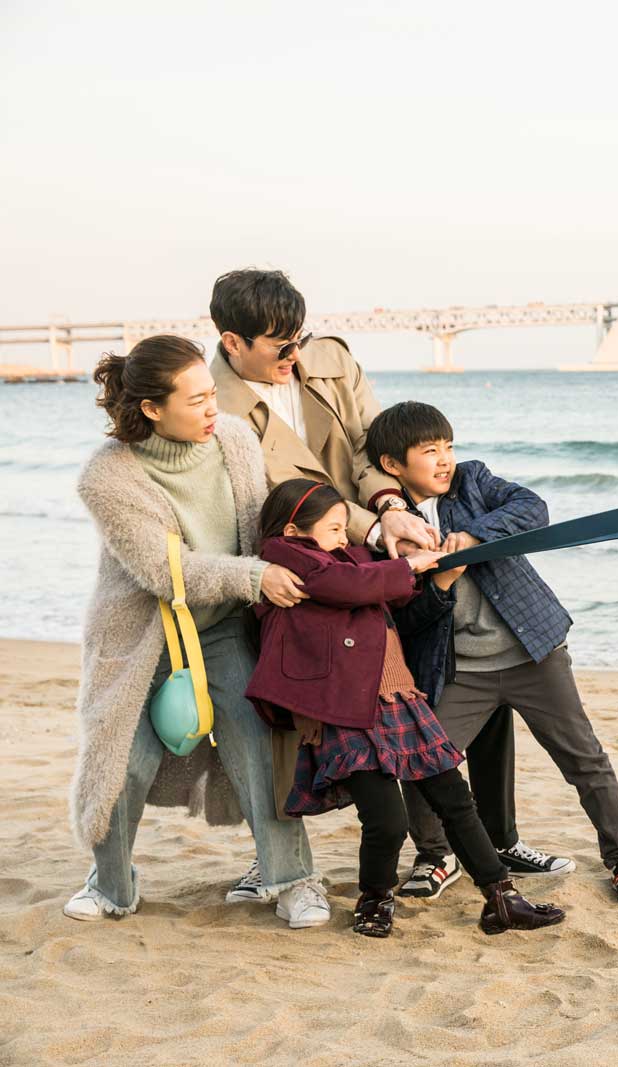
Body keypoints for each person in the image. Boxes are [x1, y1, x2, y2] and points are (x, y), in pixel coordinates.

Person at [206, 267, 459, 903]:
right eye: (277, 346)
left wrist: (392, 503)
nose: (294, 357)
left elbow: (372, 446)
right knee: (293, 728)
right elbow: (277, 507)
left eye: (300, 338)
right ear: (233, 343)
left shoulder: (330, 361)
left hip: (379, 552)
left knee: (415, 699)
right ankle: (285, 864)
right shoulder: (214, 407)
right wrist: (376, 533)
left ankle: (443, 851)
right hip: (303, 574)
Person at [64, 336, 327, 928]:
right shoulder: (107, 477)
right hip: (142, 636)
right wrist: (257, 576)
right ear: (152, 409)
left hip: (223, 627)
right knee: (123, 762)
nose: (214, 409)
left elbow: (261, 530)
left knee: (256, 748)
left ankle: (292, 879)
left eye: (213, 394)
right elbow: (166, 569)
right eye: (197, 400)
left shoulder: (233, 438)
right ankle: (111, 884)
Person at [245, 478, 566, 937]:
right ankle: (374, 897)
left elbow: (396, 605)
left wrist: (437, 580)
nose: (343, 536)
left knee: (456, 802)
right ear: (294, 532)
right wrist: (410, 565)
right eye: (334, 528)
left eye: (344, 527)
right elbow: (344, 586)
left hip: (399, 700)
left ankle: (501, 896)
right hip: (345, 713)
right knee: (387, 821)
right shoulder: (290, 564)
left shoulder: (354, 564)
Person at [367, 401, 618, 905]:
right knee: (421, 763)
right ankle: (436, 857)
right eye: (429, 451)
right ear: (393, 466)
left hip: (533, 651)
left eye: (448, 447)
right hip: (459, 670)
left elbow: (533, 510)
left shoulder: (473, 482)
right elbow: (406, 618)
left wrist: (475, 535)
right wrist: (440, 582)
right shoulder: (389, 531)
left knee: (583, 758)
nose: (444, 460)